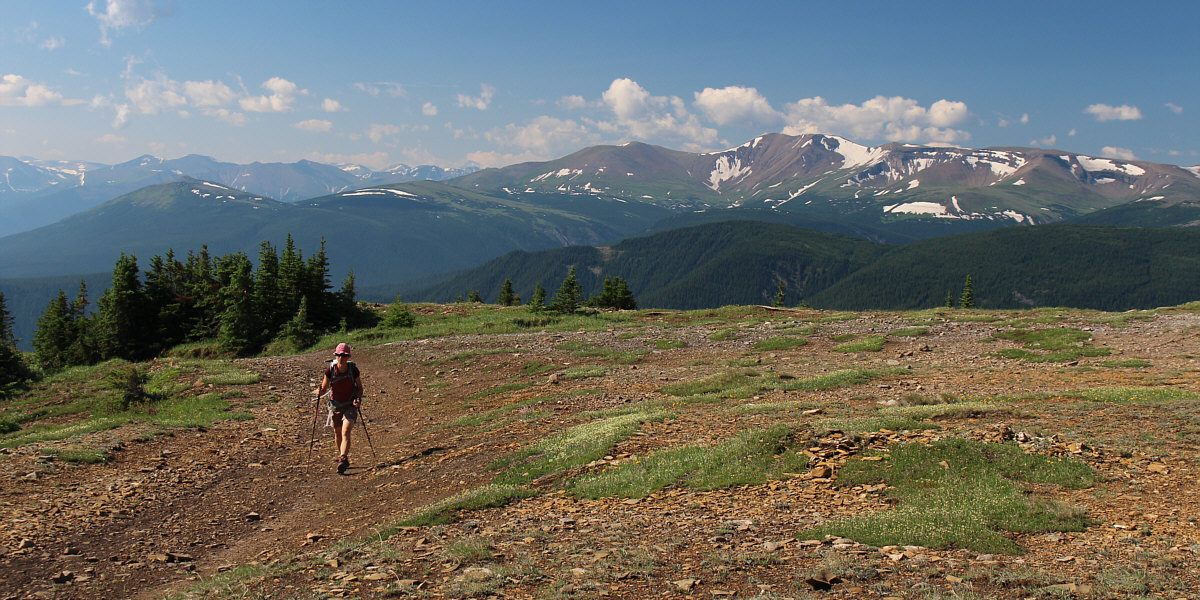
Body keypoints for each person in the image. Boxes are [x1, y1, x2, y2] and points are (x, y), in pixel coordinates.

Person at [315, 342, 363, 474]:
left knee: (346, 430)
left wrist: (358, 399)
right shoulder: (330, 370)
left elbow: (359, 387)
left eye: (344, 355)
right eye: (339, 355)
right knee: (337, 432)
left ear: (348, 357)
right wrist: (319, 391)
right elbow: (324, 387)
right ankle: (342, 456)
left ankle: (343, 458)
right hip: (335, 405)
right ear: (336, 356)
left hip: (350, 404)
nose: (341, 358)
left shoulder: (353, 369)